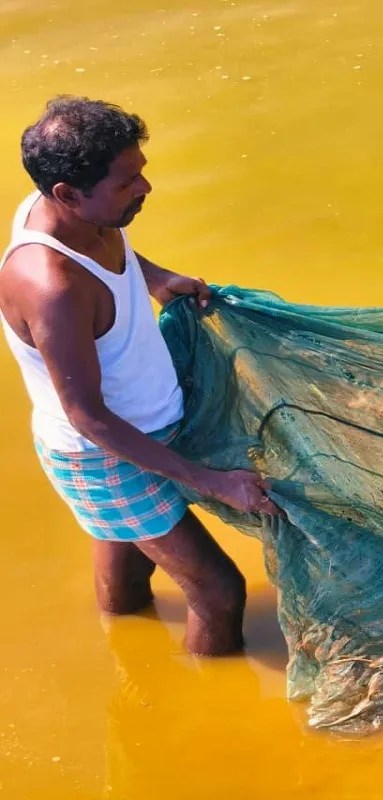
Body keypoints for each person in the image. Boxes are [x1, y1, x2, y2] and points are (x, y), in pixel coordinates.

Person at [0, 96, 280, 656]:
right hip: (105, 453)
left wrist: (154, 277)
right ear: (67, 195)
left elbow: (109, 245)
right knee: (219, 590)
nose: (145, 188)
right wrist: (211, 479)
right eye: (128, 182)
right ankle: (201, 710)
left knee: (127, 570)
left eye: (141, 172)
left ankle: (125, 647)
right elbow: (89, 417)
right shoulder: (50, 288)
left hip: (145, 423)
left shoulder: (74, 209)